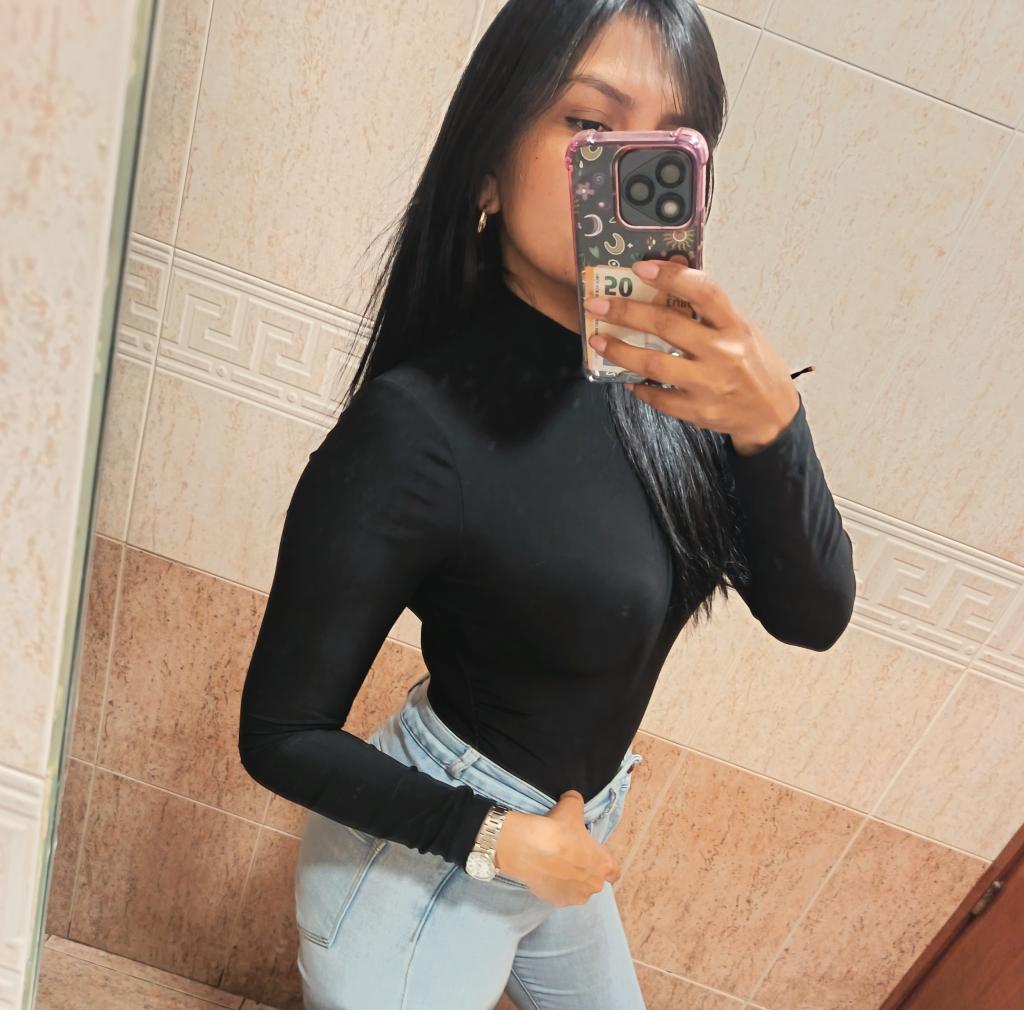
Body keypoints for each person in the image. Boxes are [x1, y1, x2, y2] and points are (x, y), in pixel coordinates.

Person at [237, 2, 856, 1008]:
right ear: (487, 166)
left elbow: (813, 613)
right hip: (430, 877)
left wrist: (774, 424)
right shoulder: (416, 426)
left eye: (668, 139)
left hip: (565, 840)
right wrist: (500, 839)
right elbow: (279, 731)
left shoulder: (677, 394)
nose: (628, 169)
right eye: (589, 124)